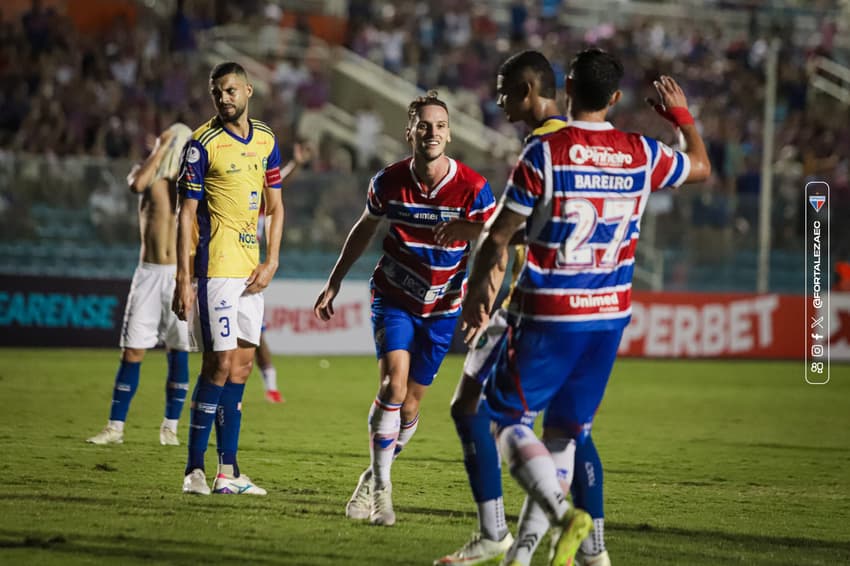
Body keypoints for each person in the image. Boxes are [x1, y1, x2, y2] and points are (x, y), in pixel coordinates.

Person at [463, 48, 711, 566]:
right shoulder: (642, 152)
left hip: (551, 311)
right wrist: (681, 116)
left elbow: (499, 237)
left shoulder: (546, 152)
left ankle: (562, 516)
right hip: (610, 315)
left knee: (503, 419)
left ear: (567, 89)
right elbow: (703, 166)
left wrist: (475, 296)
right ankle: (535, 554)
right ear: (616, 98)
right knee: (566, 435)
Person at [313, 91, 496, 526]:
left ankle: (371, 476)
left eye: (439, 125)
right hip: (393, 296)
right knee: (393, 388)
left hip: (444, 306)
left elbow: (495, 239)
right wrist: (334, 280)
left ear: (449, 134)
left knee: (411, 406)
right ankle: (382, 491)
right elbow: (364, 229)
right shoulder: (388, 182)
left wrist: (482, 300)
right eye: (423, 124)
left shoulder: (473, 188)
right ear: (409, 131)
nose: (431, 132)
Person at [435, 49, 570, 565]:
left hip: (535, 305)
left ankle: (518, 531)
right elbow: (532, 226)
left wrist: (473, 298)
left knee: (488, 413)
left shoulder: (545, 147)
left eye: (503, 91)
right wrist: (483, 231)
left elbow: (514, 234)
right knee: (552, 429)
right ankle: (538, 543)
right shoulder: (572, 143)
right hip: (579, 307)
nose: (497, 100)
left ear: (527, 91)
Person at [173, 61, 285, 496]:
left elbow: (276, 207)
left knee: (240, 369)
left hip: (252, 271)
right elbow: (185, 216)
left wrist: (272, 260)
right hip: (214, 270)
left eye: (231, 90)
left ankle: (229, 472)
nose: (224, 98)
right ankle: (193, 470)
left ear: (249, 91)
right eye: (218, 92)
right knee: (217, 365)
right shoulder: (201, 145)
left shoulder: (266, 140)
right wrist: (183, 278)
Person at [87, 122, 193, 447]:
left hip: (179, 275)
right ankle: (115, 427)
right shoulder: (149, 176)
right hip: (148, 274)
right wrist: (160, 147)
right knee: (132, 351)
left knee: (179, 352)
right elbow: (136, 184)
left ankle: (170, 427)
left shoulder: (188, 185)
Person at [255, 142, 313, 404]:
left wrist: (297, 164)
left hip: (247, 277)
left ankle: (271, 386)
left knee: (254, 337)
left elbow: (278, 186)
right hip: (218, 272)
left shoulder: (254, 203)